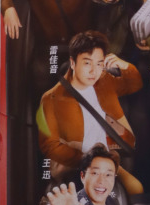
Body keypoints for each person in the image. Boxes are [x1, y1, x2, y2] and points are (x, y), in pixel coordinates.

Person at [38, 30, 143, 194]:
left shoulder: (105, 81)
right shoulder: (51, 98)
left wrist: (125, 66)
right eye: (87, 63)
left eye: (99, 64)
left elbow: (134, 84)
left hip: (110, 160)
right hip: (75, 166)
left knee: (136, 191)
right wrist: (89, 159)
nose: (94, 71)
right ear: (73, 63)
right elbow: (50, 146)